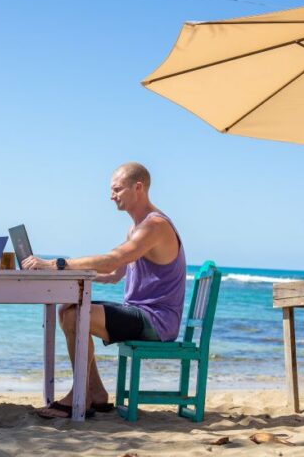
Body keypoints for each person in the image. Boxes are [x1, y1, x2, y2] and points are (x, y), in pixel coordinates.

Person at [22, 162, 186, 419]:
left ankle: (82, 394)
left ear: (138, 187)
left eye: (117, 189)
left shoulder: (154, 226)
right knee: (68, 309)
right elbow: (112, 274)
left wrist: (57, 263)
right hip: (141, 313)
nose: (111, 196)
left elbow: (113, 259)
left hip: (156, 321)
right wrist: (61, 273)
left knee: (76, 316)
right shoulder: (136, 229)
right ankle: (95, 392)